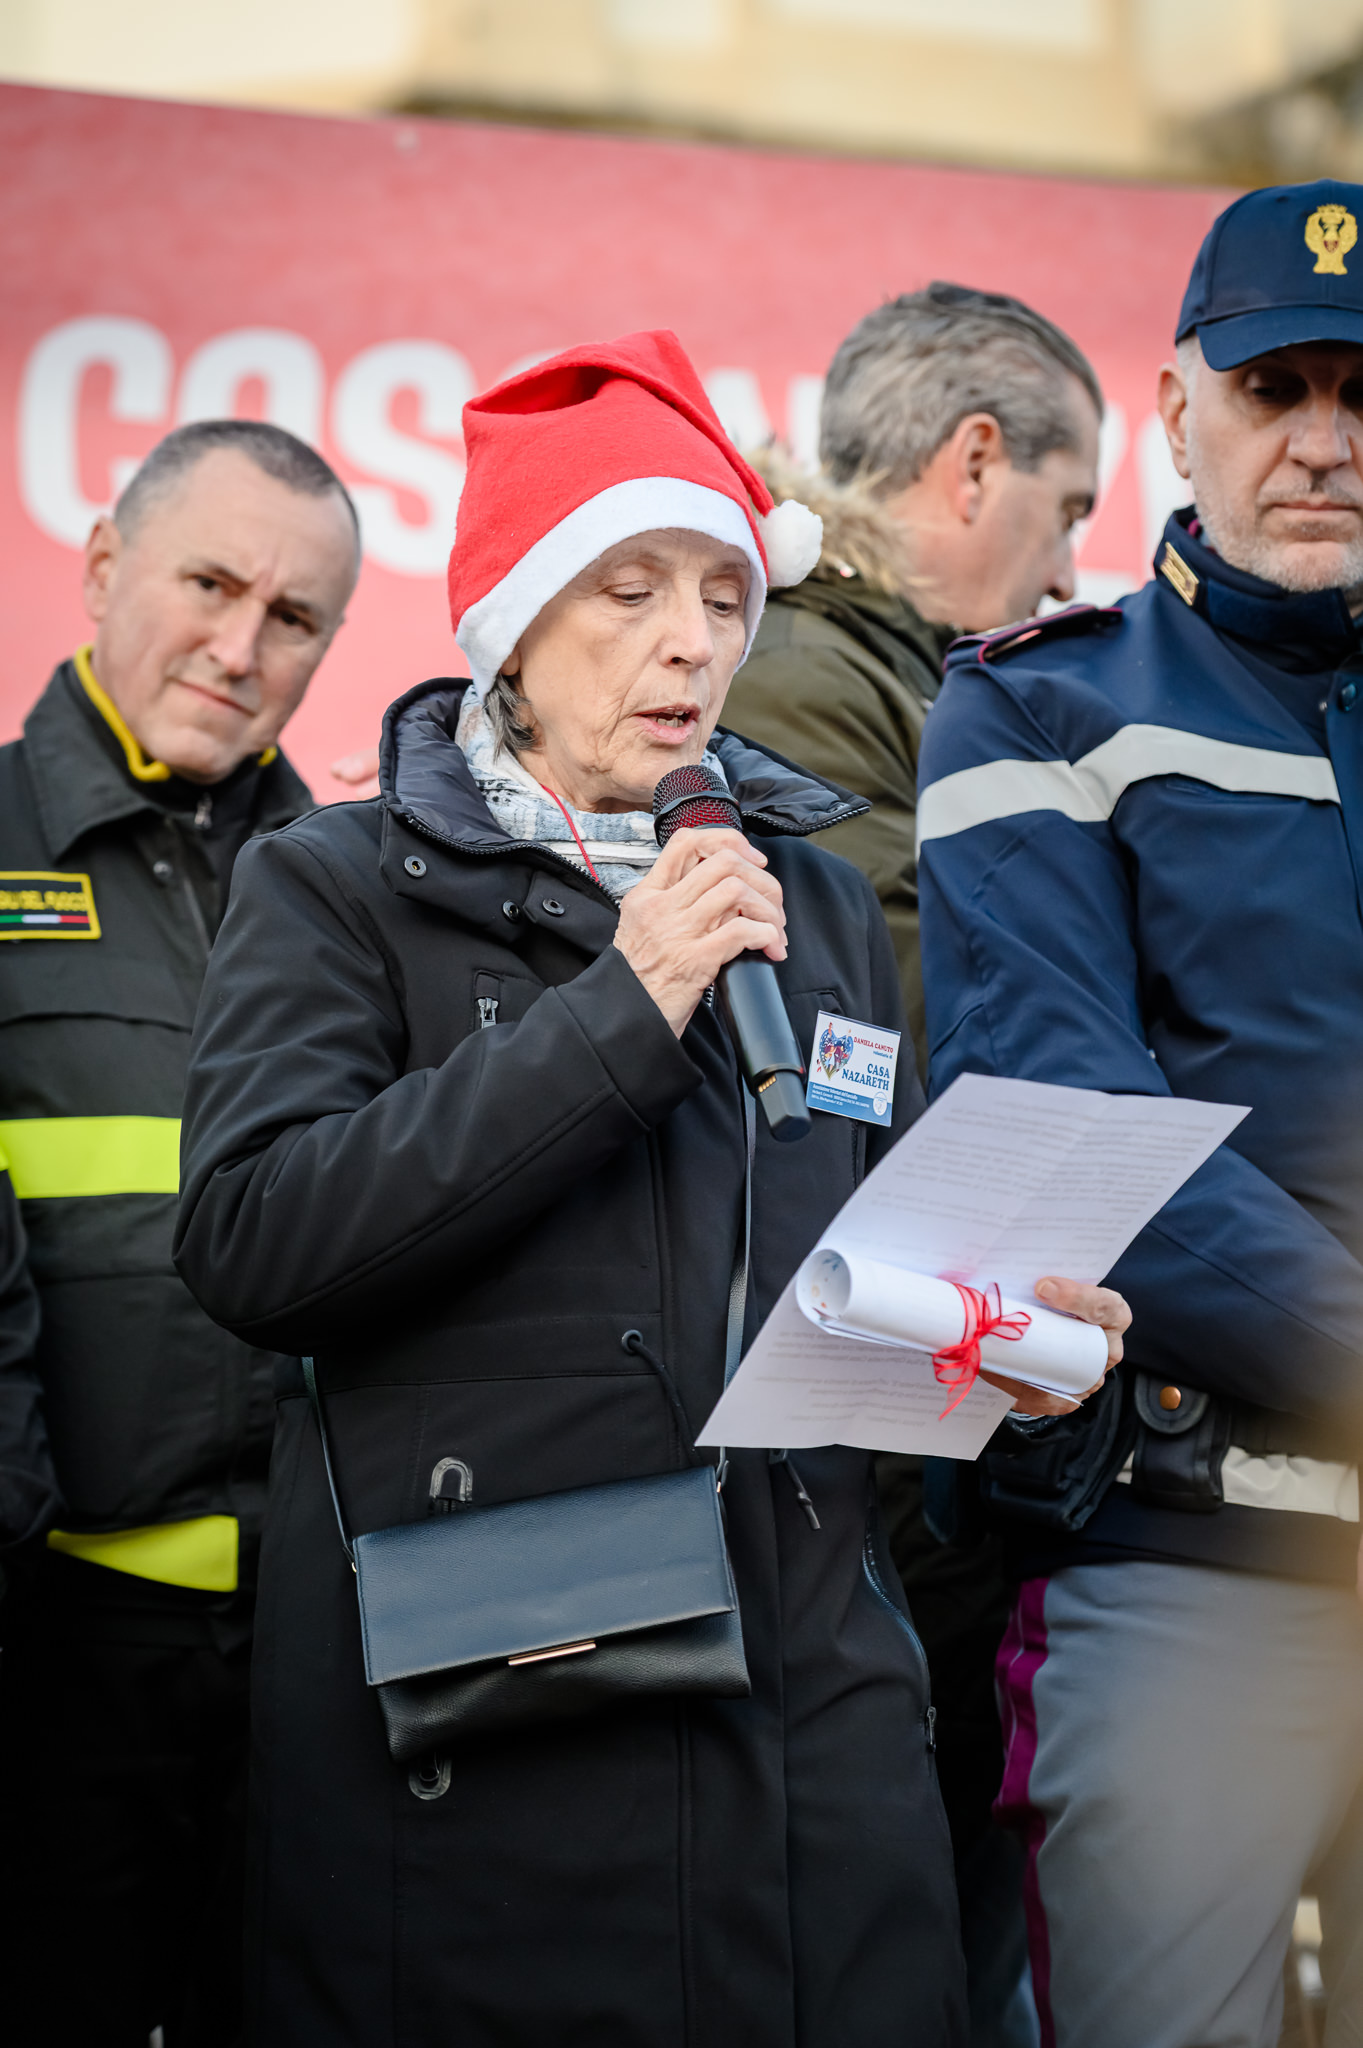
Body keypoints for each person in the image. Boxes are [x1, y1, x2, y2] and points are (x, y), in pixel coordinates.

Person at [172, 330, 1127, 2048]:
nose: (693, 638)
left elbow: (869, 1299)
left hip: (827, 1775)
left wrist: (1018, 1360)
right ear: (515, 631)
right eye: (631, 589)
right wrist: (624, 1011)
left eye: (724, 593)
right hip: (505, 1755)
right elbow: (257, 1242)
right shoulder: (336, 886)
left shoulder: (807, 904)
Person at [917, 180, 1363, 2048]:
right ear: (1177, 409)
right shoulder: (1038, 709)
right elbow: (1076, 1129)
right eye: (1276, 389)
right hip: (1194, 1562)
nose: (1326, 441)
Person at [726, 284, 1103, 2048]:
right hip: (853, 1439)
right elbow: (922, 1024)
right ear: (973, 465)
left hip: (913, 1411)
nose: (1076, 563)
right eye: (1071, 506)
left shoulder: (909, 683)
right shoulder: (806, 682)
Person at [0, 418, 360, 2048]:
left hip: (316, 1651)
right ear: (100, 567)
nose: (240, 647)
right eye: (210, 584)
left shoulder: (357, 889)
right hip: (57, 1645)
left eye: (293, 618)